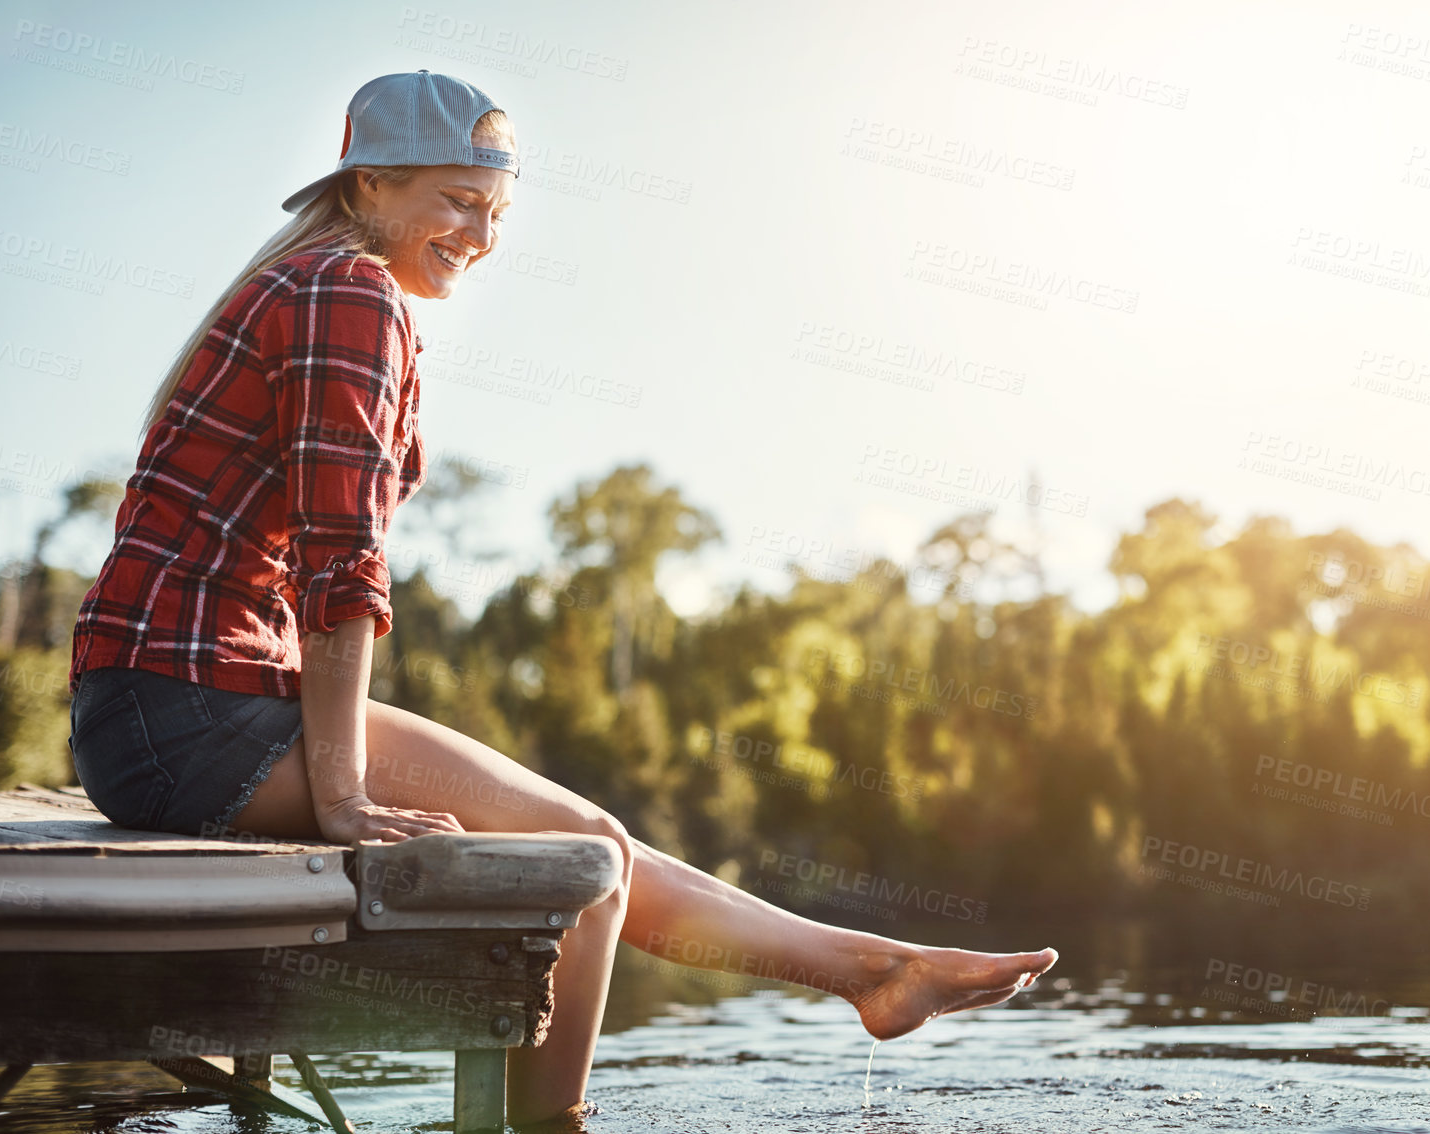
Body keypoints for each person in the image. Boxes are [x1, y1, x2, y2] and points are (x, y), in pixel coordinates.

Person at [65, 70, 1058, 1131]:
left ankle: (877, 971)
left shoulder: (321, 284)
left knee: (600, 845)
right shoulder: (346, 293)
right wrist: (346, 794)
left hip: (182, 706)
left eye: (495, 211)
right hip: (186, 716)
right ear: (367, 186)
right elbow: (341, 558)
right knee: (576, 865)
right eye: (455, 200)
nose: (479, 234)